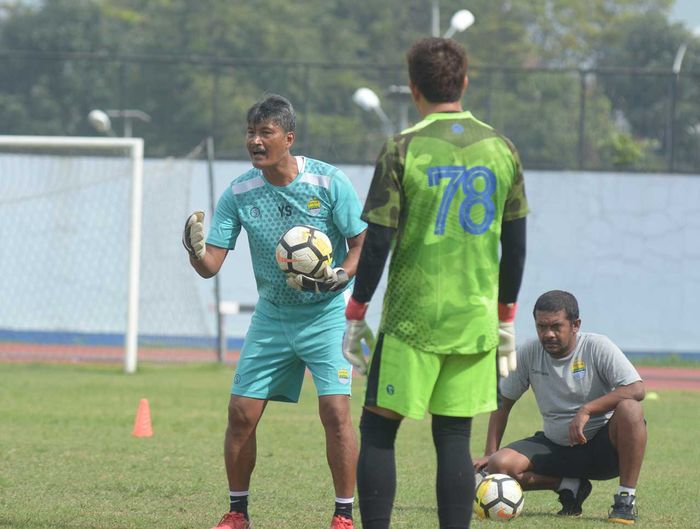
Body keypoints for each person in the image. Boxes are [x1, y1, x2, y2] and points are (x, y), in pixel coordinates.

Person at [342, 37, 529, 529]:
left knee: (379, 428)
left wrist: (356, 309)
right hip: (474, 319)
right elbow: (517, 243)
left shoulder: (401, 149)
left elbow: (378, 241)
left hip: (412, 319)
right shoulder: (502, 149)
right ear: (464, 82)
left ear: (412, 88)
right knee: (453, 436)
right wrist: (505, 316)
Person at [182, 94, 367, 529]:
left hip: (325, 315)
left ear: (288, 138)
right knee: (240, 413)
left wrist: (340, 275)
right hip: (272, 317)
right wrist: (193, 250)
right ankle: (237, 512)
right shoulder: (240, 192)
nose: (255, 141)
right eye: (250, 133)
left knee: (336, 413)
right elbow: (211, 266)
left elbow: (363, 243)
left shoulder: (328, 182)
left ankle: (343, 514)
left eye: (265, 133)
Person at [473, 290, 646, 525]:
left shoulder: (597, 346)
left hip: (603, 450)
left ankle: (626, 498)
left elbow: (637, 389)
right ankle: (569, 486)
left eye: (556, 326)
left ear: (575, 325)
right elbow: (503, 402)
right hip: (557, 446)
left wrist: (587, 410)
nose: (548, 334)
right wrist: (490, 452)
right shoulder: (530, 352)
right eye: (541, 327)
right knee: (499, 465)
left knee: (630, 409)